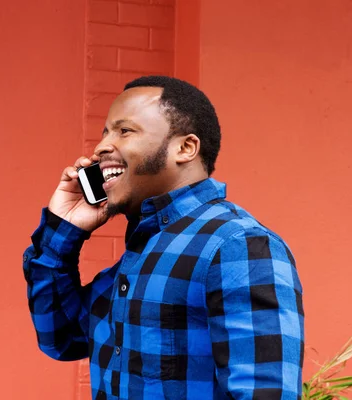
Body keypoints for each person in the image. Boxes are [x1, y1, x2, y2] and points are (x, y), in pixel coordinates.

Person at [23, 76, 304, 400]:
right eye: (105, 133)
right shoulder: (136, 258)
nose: (101, 147)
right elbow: (60, 338)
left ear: (185, 148)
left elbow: (265, 394)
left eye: (124, 131)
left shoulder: (237, 246)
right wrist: (64, 231)